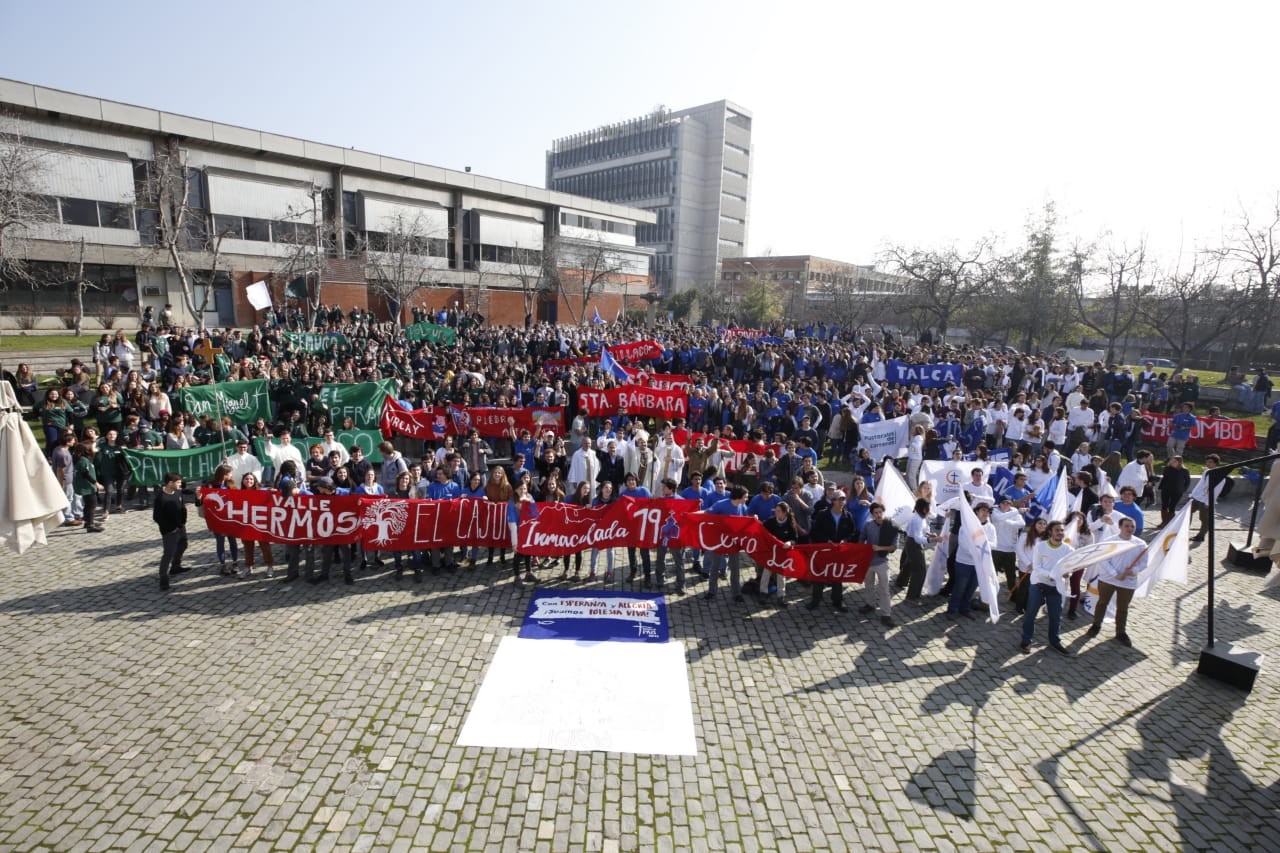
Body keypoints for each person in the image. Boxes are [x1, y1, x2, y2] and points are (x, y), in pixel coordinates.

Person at [1085, 515, 1146, 647]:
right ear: (1119, 527)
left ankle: (1120, 632)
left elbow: (1143, 563)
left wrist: (1133, 571)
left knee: (1123, 608)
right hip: (1107, 579)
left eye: (1132, 527)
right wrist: (1114, 574)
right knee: (1102, 603)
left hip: (1128, 582)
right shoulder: (1110, 541)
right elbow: (1103, 559)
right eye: (1127, 526)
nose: (1129, 529)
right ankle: (1096, 625)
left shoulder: (1140, 544)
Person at [1020, 519, 1074, 655]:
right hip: (1038, 584)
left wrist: (1068, 574)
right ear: (1050, 531)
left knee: (1056, 617)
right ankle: (1026, 640)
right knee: (1031, 613)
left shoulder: (1069, 549)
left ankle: (1055, 642)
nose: (1060, 533)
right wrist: (1050, 574)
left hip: (1056, 588)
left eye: (1062, 530)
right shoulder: (1040, 546)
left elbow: (1069, 567)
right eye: (1057, 530)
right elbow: (1036, 567)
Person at [807, 492, 859, 612]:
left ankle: (837, 600)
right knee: (819, 575)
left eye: (844, 499)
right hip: (824, 551)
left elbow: (853, 533)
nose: (842, 502)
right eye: (839, 499)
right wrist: (826, 540)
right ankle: (815, 600)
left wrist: (845, 540)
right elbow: (814, 531)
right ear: (833, 501)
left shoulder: (848, 516)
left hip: (839, 552)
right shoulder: (822, 514)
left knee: (837, 575)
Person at [704, 485, 750, 602]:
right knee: (715, 567)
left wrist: (753, 519)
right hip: (719, 541)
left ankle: (736, 593)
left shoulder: (743, 507)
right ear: (739, 497)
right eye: (745, 497)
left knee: (735, 568)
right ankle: (711, 591)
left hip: (733, 542)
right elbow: (707, 514)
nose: (747, 499)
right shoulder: (721, 504)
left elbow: (746, 520)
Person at [859, 502, 899, 626]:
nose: (878, 515)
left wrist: (879, 548)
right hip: (868, 561)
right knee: (869, 585)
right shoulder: (868, 525)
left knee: (884, 588)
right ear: (872, 514)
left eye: (880, 512)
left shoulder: (892, 527)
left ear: (883, 512)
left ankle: (886, 614)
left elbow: (893, 547)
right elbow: (861, 540)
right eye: (875, 513)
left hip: (882, 562)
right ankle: (870, 604)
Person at [154, 472, 187, 591]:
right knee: (168, 553)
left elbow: (182, 507)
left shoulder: (178, 492)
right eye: (178, 482)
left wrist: (182, 523)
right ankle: (163, 578)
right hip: (169, 531)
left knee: (183, 545)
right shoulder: (161, 498)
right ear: (170, 483)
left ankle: (176, 566)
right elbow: (157, 517)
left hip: (180, 527)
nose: (180, 484)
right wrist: (170, 528)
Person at [759, 501, 797, 607]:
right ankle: (763, 593)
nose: (776, 512)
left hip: (783, 554)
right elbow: (761, 530)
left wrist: (790, 543)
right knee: (767, 572)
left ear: (785, 513)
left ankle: (781, 596)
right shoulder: (771, 521)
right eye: (775, 510)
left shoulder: (790, 524)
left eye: (779, 511)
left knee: (781, 574)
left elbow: (795, 538)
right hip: (771, 552)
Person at [238, 472, 275, 578]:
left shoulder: (260, 491)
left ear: (254, 481)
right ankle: (248, 566)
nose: (248, 481)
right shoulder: (238, 493)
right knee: (248, 546)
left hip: (260, 523)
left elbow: (270, 495)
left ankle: (269, 566)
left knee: (264, 545)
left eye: (251, 479)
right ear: (243, 481)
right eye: (246, 479)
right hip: (246, 524)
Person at [205, 464, 240, 574]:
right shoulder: (211, 485)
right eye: (229, 473)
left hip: (230, 518)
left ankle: (235, 563)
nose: (231, 475)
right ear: (223, 475)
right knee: (220, 542)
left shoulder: (231, 484)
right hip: (217, 518)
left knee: (232, 541)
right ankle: (223, 565)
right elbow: (206, 500)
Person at [654, 478, 687, 595]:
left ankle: (681, 583)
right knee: (660, 558)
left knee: (679, 561)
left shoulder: (682, 501)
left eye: (664, 487)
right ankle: (659, 579)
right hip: (662, 534)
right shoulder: (660, 501)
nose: (662, 489)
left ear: (671, 489)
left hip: (676, 537)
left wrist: (697, 504)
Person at [1012, 517, 1047, 615]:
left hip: (1038, 568)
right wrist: (1028, 563)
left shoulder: (1046, 538)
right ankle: (1019, 606)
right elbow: (1019, 549)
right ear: (1035, 524)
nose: (1042, 526)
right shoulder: (1026, 535)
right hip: (1026, 567)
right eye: (1040, 523)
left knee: (1033, 588)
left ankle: (1028, 605)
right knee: (1024, 587)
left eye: (1044, 524)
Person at [72, 442, 104, 533]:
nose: (95, 448)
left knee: (88, 505)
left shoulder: (83, 459)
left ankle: (88, 522)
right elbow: (85, 474)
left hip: (86, 486)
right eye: (93, 447)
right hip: (87, 487)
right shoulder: (83, 460)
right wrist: (96, 483)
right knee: (92, 505)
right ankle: (90, 525)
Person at [1159, 455, 1191, 527]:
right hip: (1166, 489)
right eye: (1171, 460)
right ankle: (1164, 522)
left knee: (1172, 506)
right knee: (1164, 505)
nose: (1172, 462)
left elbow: (1187, 481)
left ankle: (1170, 523)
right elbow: (1164, 478)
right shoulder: (1167, 468)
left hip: (1177, 491)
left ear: (1179, 462)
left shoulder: (1184, 470)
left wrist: (1183, 490)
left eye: (1174, 461)